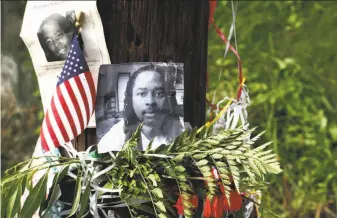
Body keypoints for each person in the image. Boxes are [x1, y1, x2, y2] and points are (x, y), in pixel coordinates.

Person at [98, 64, 187, 153]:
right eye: (142, 94)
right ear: (131, 99)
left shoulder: (182, 129)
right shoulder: (116, 136)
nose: (151, 101)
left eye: (159, 93)